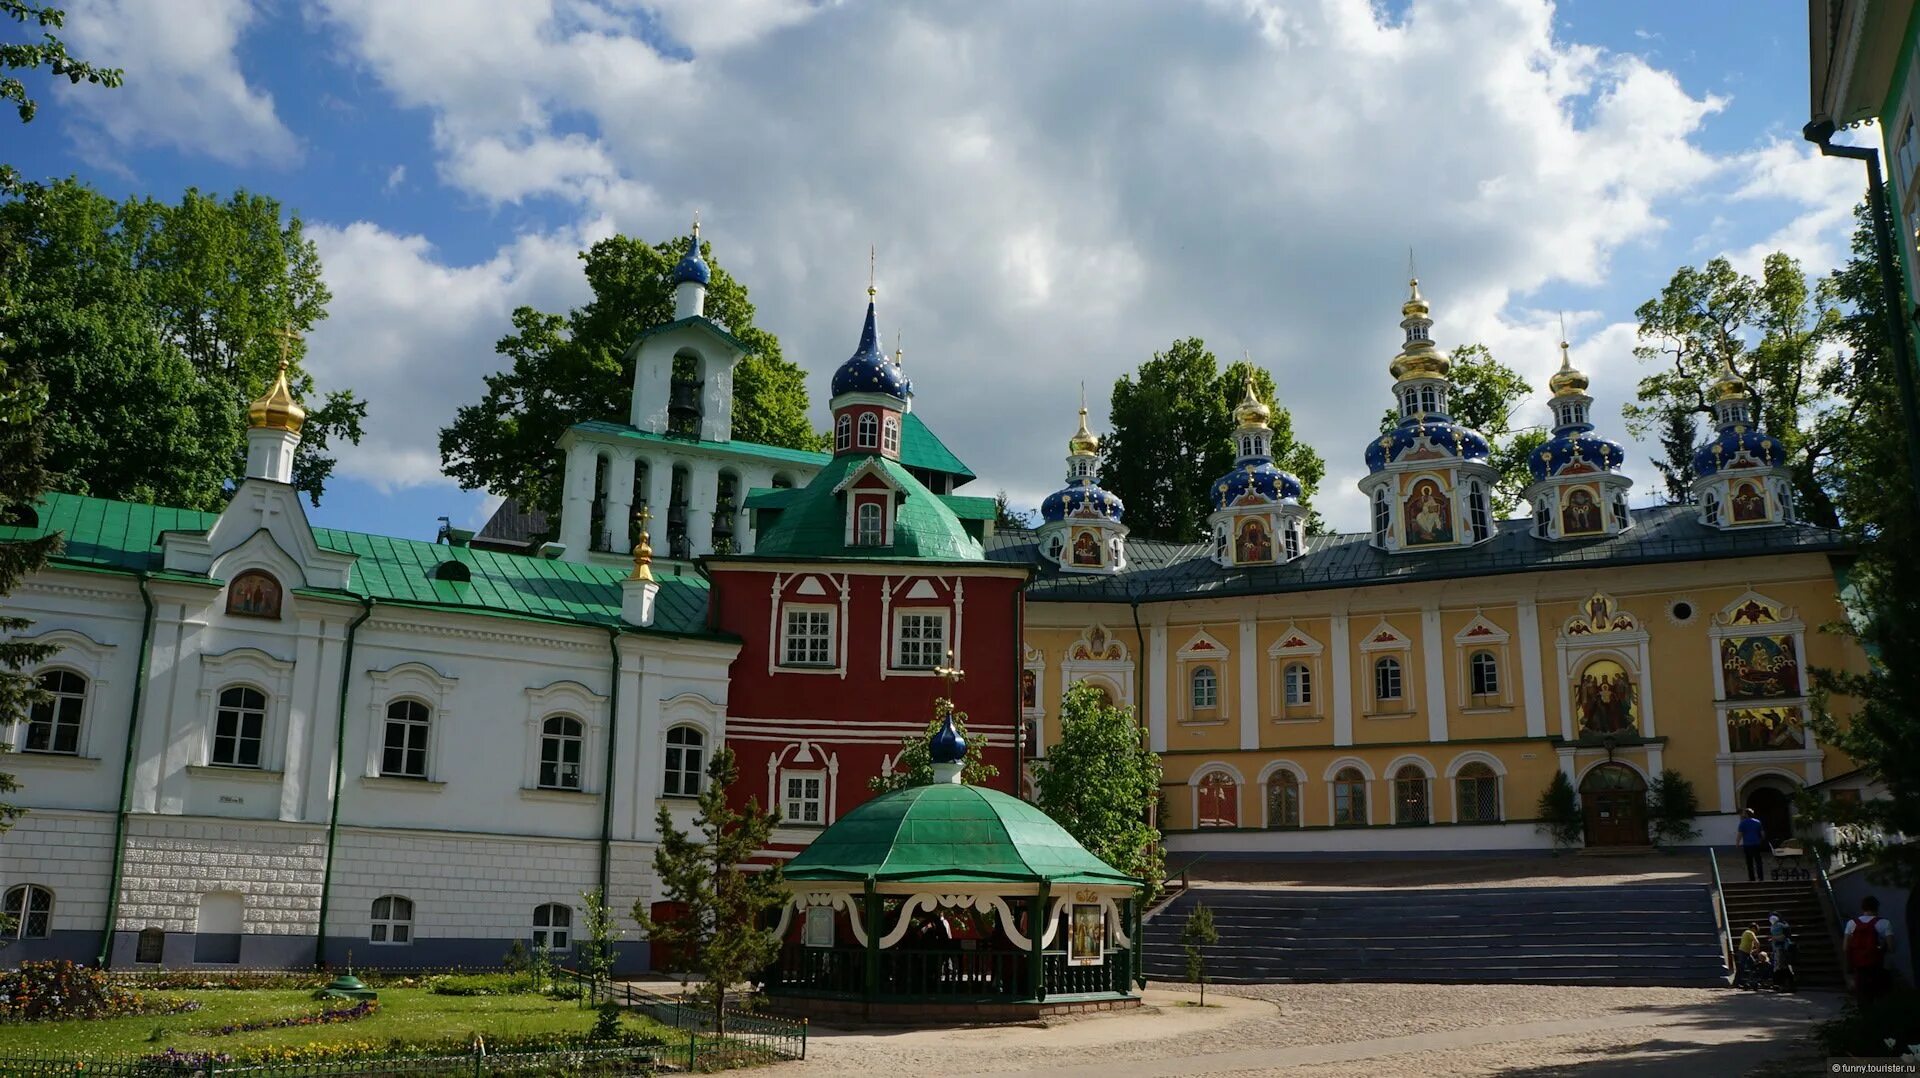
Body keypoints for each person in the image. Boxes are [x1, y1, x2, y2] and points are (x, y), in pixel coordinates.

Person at [1843, 895, 1895, 1004]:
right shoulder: (1884, 923)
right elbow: (1891, 947)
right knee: (1880, 995)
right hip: (1877, 964)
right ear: (1877, 908)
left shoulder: (1852, 923)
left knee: (1863, 997)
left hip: (1859, 966)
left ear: (1862, 908)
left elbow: (1845, 947)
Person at [1735, 808, 1769, 881]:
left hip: (1747, 845)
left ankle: (1752, 878)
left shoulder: (1743, 823)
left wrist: (1737, 843)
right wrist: (1761, 840)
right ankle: (1761, 877)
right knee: (1758, 861)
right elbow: (1762, 834)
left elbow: (1740, 834)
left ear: (1746, 814)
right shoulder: (1758, 822)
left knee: (1749, 862)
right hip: (1756, 844)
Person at [1768, 913, 1795, 991]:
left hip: (1782, 950)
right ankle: (1784, 985)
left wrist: (1774, 938)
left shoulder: (1780, 926)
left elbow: (1784, 936)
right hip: (1779, 950)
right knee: (1783, 968)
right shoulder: (1782, 925)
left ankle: (1784, 985)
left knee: (1782, 968)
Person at [1734, 922, 1762, 989]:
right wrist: (1758, 950)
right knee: (1742, 967)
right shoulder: (1750, 932)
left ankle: (1750, 981)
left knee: (1753, 966)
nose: (1755, 932)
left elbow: (1748, 943)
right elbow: (1757, 942)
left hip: (1746, 952)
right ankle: (1737, 982)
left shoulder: (1746, 932)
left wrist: (1752, 950)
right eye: (1755, 930)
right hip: (1743, 952)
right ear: (1753, 928)